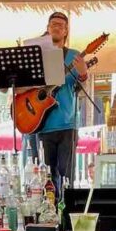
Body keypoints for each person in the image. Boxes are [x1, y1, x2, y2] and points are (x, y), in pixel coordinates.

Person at [35, 12, 89, 197]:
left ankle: (66, 212)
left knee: (67, 178)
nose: (56, 27)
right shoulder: (38, 55)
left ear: (66, 31)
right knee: (46, 180)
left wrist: (83, 74)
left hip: (67, 124)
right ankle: (47, 211)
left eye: (61, 25)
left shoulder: (73, 55)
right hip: (41, 122)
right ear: (47, 28)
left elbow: (80, 88)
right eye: (53, 24)